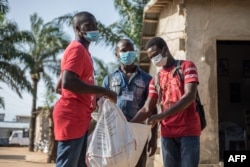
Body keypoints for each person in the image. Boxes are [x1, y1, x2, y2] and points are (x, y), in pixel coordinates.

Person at [53, 11, 117, 167]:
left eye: (95, 25)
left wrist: (94, 97)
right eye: (88, 25)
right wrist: (104, 91)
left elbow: (59, 86)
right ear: (77, 28)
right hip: (72, 115)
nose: (94, 29)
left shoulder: (82, 51)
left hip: (80, 115)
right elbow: (68, 83)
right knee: (68, 163)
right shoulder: (77, 50)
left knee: (81, 163)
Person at [131, 37, 201, 167]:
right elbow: (147, 108)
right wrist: (128, 126)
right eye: (151, 57)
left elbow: (190, 96)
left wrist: (161, 116)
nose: (153, 59)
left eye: (155, 54)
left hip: (188, 132)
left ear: (164, 50)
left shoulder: (187, 66)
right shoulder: (156, 79)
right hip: (167, 134)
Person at [102, 39, 158, 167]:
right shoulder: (109, 79)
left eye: (131, 50)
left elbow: (152, 109)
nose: (128, 53)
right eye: (123, 51)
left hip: (138, 133)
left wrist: (153, 137)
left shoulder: (147, 79)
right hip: (114, 134)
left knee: (138, 163)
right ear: (117, 54)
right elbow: (103, 108)